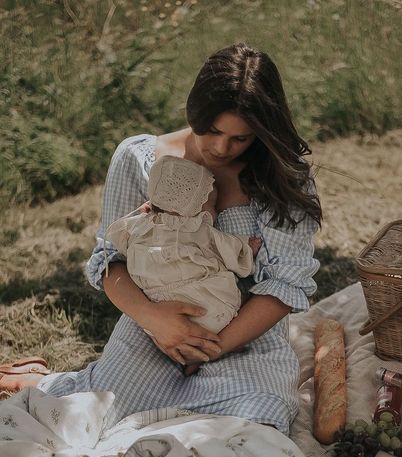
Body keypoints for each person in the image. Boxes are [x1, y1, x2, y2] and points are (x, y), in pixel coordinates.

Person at [0, 43, 322, 435]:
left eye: (241, 138)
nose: (221, 148)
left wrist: (213, 346)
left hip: (245, 337)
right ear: (194, 112)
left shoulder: (282, 175)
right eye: (213, 131)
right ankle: (38, 382)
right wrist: (158, 322)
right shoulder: (139, 158)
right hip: (154, 329)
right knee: (99, 422)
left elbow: (284, 284)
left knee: (247, 427)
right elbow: (109, 261)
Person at [105, 154, 261, 335]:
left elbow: (123, 247)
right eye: (211, 206)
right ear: (192, 208)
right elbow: (226, 249)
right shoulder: (196, 229)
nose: (215, 212)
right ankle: (207, 349)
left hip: (157, 310)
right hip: (205, 305)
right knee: (231, 288)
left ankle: (184, 353)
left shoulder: (139, 227)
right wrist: (247, 247)